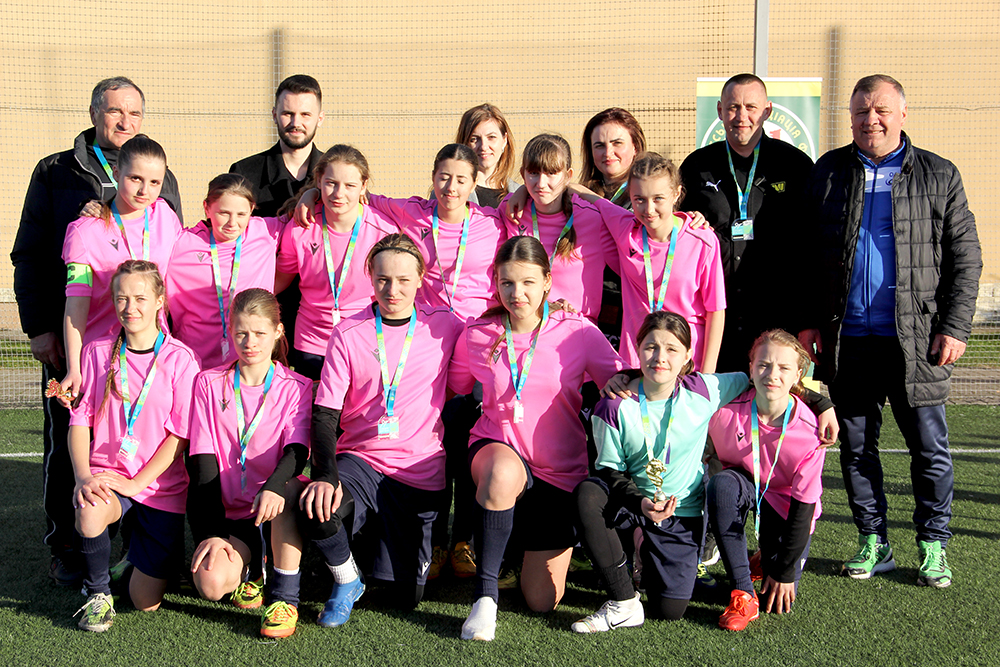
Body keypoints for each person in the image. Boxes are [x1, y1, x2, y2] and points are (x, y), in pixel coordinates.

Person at [798, 74, 982, 588]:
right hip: (849, 340)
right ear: (850, 117)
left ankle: (933, 545)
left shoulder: (939, 174)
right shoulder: (828, 172)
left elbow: (966, 258)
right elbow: (806, 256)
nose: (870, 120)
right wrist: (809, 320)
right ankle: (873, 541)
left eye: (880, 110)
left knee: (929, 449)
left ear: (903, 114)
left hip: (917, 341)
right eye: (861, 111)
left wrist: (954, 326)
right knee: (857, 448)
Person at [11, 76, 182, 585]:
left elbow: (181, 260)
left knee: (147, 445)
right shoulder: (56, 172)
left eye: (135, 113)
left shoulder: (163, 204)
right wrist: (46, 335)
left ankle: (140, 546)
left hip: (150, 353)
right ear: (93, 113)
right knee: (72, 448)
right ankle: (70, 547)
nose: (125, 121)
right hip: (88, 353)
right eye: (114, 111)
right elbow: (34, 259)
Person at [262, 234, 464, 638]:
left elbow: (495, 331)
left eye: (403, 280)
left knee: (405, 597)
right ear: (370, 276)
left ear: (421, 278)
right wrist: (326, 475)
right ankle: (346, 576)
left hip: (419, 471)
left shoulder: (446, 324)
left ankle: (362, 552)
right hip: (362, 461)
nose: (393, 290)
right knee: (317, 504)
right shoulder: (348, 332)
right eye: (383, 279)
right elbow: (325, 414)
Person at [450, 236, 625, 641]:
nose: (517, 293)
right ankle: (485, 598)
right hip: (497, 451)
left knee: (541, 600)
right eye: (507, 283)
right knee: (502, 472)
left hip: (559, 474)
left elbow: (617, 382)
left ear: (547, 281)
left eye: (528, 282)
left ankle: (508, 546)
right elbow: (454, 388)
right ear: (496, 283)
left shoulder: (577, 331)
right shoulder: (478, 333)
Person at [573, 312, 749, 633]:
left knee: (669, 610)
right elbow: (607, 471)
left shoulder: (704, 390)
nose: (660, 357)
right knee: (589, 494)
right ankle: (624, 600)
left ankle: (644, 548)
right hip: (630, 505)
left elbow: (761, 377)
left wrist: (820, 403)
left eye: (671, 349)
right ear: (638, 347)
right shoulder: (613, 403)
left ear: (687, 356)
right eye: (651, 347)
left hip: (680, 511)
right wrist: (640, 503)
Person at [66, 260, 199, 631]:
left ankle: (129, 561)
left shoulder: (180, 359)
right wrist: (82, 476)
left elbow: (179, 436)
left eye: (140, 298)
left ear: (159, 301)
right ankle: (98, 595)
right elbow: (79, 422)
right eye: (121, 298)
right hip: (108, 476)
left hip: (158, 488)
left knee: (145, 602)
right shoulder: (96, 353)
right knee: (90, 509)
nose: (130, 307)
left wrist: (137, 483)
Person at [187, 289, 312, 618]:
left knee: (288, 491)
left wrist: (273, 486)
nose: (250, 343)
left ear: (278, 331)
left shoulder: (298, 387)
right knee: (211, 584)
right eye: (241, 333)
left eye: (259, 333)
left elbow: (297, 451)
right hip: (231, 517)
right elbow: (202, 462)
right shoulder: (207, 384)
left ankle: (281, 585)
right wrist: (213, 534)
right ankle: (252, 570)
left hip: (276, 509)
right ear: (230, 331)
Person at [681, 74, 813, 373]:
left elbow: (811, 244)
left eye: (751, 107)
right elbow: (677, 233)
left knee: (772, 394)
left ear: (767, 111)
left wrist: (808, 319)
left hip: (777, 315)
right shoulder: (697, 166)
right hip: (717, 314)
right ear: (719, 110)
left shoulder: (796, 166)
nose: (741, 116)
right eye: (733, 107)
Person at [706, 330, 827, 631]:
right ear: (750, 368)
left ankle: (766, 559)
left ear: (798, 375)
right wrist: (627, 378)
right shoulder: (724, 411)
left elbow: (803, 509)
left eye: (784, 367)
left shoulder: (811, 430)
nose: (772, 374)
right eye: (763, 365)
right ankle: (742, 594)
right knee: (722, 485)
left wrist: (784, 569)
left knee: (780, 597)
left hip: (786, 508)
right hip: (745, 487)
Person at [577, 152, 727, 373]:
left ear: (676, 193)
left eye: (658, 199)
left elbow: (715, 310)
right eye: (639, 199)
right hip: (638, 363)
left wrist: (708, 374)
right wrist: (523, 192)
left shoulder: (702, 240)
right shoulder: (625, 227)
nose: (648, 210)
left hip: (686, 364)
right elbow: (581, 191)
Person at [61, 135, 184, 402]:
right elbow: (76, 304)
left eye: (155, 182)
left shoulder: (166, 217)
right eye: (135, 178)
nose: (144, 191)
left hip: (155, 355)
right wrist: (74, 367)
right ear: (116, 173)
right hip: (103, 357)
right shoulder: (84, 231)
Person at [230, 74, 325, 374]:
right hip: (261, 305)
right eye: (287, 113)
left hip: (319, 311)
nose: (296, 122)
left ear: (320, 118)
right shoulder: (245, 171)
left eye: (305, 114)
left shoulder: (334, 175)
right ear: (274, 114)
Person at [275, 145, 396, 380]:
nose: (339, 193)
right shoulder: (301, 227)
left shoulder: (384, 231)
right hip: (311, 343)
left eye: (350, 185)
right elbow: (279, 280)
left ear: (363, 186)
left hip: (364, 339)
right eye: (331, 183)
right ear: (319, 181)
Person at [167, 175, 286, 370]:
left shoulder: (265, 231)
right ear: (207, 208)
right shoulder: (181, 243)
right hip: (194, 359)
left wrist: (311, 193)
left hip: (248, 359)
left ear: (252, 210)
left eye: (241, 214)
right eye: (223, 213)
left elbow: (307, 214)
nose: (232, 222)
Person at [455, 104, 518, 208]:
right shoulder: (448, 192)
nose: (483, 146)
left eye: (491, 137)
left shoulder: (521, 194)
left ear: (504, 140)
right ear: (464, 144)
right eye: (474, 139)